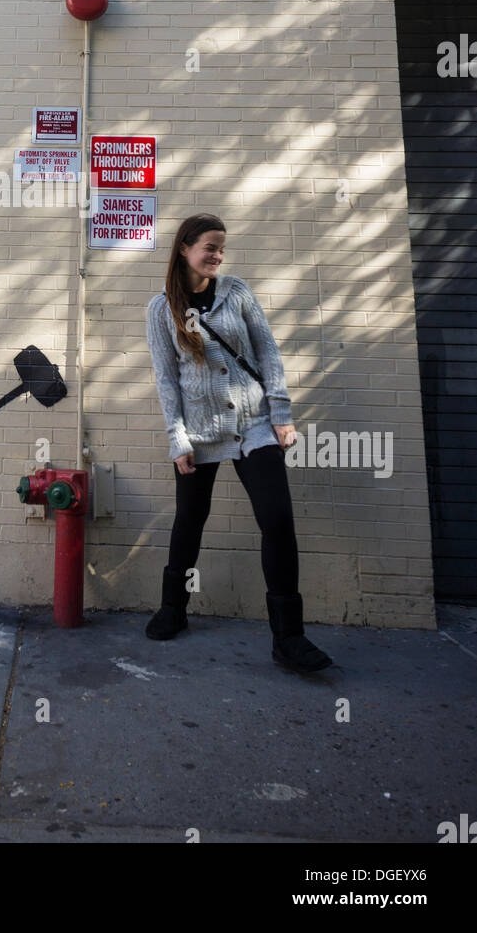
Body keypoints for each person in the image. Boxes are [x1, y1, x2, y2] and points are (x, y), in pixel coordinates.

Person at [144, 213, 333, 672]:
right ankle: (174, 609)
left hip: (254, 424)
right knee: (190, 520)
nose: (217, 255)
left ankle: (288, 637)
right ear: (185, 248)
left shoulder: (237, 292)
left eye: (222, 248)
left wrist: (281, 414)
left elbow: (267, 350)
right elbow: (167, 381)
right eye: (209, 246)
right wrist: (178, 439)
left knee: (277, 519)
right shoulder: (160, 309)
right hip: (200, 431)